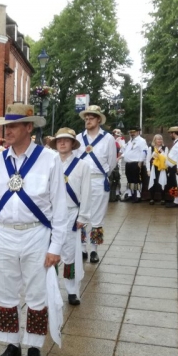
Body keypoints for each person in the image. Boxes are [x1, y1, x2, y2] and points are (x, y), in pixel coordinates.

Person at [0, 103, 66, 356]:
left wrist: (55, 246)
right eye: (6, 126)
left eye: (14, 125)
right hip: (2, 234)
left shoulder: (49, 159)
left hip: (36, 234)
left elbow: (60, 207)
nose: (7, 131)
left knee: (37, 293)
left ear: (29, 127)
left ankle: (34, 347)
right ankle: (12, 343)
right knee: (5, 292)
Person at [49, 128, 90, 306]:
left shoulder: (83, 165)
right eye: (59, 140)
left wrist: (83, 216)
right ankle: (51, 289)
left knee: (70, 254)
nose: (62, 143)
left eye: (66, 140)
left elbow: (87, 193)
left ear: (73, 144)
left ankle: (72, 291)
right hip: (51, 215)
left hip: (72, 213)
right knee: (50, 252)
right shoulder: (50, 163)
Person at [76, 105, 117, 263]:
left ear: (99, 119)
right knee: (81, 214)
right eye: (86, 118)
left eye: (91, 118)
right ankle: (81, 248)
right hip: (81, 181)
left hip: (99, 180)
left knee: (97, 216)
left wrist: (101, 174)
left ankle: (94, 250)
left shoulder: (108, 138)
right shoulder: (79, 138)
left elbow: (112, 162)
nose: (88, 120)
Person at [121, 127, 147, 203]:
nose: (132, 134)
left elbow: (144, 151)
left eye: (134, 132)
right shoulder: (130, 141)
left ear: (138, 132)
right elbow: (126, 151)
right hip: (128, 163)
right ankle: (130, 194)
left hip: (136, 163)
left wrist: (140, 161)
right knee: (129, 179)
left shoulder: (141, 141)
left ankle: (138, 195)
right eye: (131, 132)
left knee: (136, 179)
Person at [146, 134, 169, 205]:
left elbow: (167, 158)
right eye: (158, 139)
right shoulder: (151, 148)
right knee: (153, 182)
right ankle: (152, 198)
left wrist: (161, 152)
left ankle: (163, 199)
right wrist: (148, 170)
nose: (159, 140)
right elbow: (147, 160)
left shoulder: (165, 148)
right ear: (155, 140)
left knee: (162, 182)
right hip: (154, 168)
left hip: (162, 168)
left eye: (161, 139)